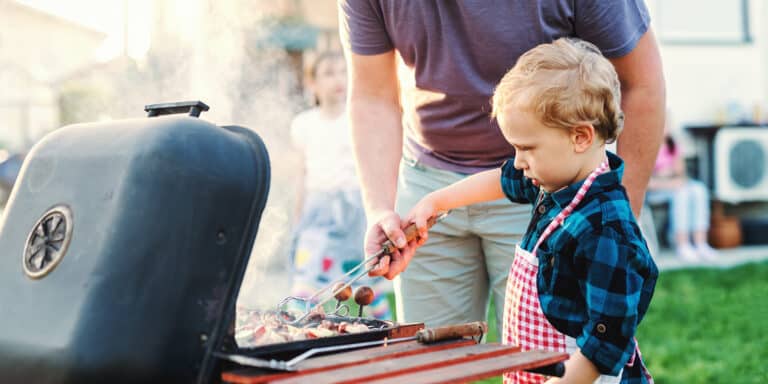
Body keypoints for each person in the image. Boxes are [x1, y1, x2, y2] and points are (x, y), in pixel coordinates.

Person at [338, 1, 666, 328]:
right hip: (428, 178)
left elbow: (642, 83)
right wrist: (387, 208)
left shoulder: (553, 187)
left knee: (559, 349)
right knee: (427, 359)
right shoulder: (517, 172)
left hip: (551, 189)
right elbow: (372, 96)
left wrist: (619, 218)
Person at [401, 38, 658, 383]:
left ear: (580, 136)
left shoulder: (605, 230)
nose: (518, 161)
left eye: (526, 148)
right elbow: (501, 180)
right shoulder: (555, 180)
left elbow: (606, 341)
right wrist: (436, 202)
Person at [289, 51, 391, 320]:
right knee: (307, 278)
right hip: (319, 211)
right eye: (328, 73)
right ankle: (297, 330)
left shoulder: (357, 118)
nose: (338, 79)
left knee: (363, 281)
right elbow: (302, 173)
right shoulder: (303, 124)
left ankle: (386, 330)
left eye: (342, 71)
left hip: (355, 209)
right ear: (312, 83)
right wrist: (298, 217)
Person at [647, 131, 717, 261]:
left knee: (699, 189)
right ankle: (682, 243)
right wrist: (667, 180)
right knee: (682, 193)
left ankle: (701, 242)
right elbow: (647, 182)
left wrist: (672, 178)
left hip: (674, 184)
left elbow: (681, 174)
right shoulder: (646, 146)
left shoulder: (672, 146)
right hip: (655, 192)